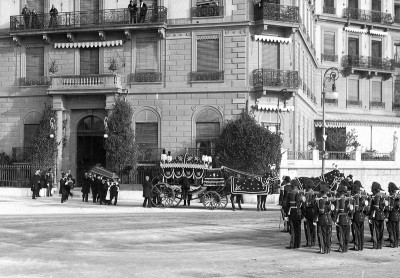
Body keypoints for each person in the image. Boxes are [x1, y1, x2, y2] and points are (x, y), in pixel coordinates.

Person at [315, 182, 335, 254]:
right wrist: (334, 219)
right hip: (329, 218)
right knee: (328, 234)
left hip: (321, 219)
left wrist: (315, 220)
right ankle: (328, 249)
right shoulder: (330, 200)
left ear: (321, 192)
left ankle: (322, 249)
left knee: (321, 234)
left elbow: (316, 211)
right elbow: (333, 210)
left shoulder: (319, 200)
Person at [284, 179, 302, 249]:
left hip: (292, 212)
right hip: (299, 213)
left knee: (292, 229)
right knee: (298, 229)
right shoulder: (301, 194)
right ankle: (298, 244)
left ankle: (293, 244)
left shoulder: (291, 193)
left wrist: (286, 214)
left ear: (292, 186)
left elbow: (287, 205)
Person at [351, 180, 368, 251]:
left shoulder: (355, 197)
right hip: (362, 215)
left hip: (356, 215)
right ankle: (361, 246)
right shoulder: (363, 196)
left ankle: (357, 246)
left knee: (356, 231)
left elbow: (355, 208)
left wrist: (351, 216)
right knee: (361, 232)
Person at [334, 183, 351, 253]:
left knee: (340, 234)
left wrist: (335, 219)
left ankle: (341, 247)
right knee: (346, 234)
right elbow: (351, 210)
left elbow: (336, 210)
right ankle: (345, 248)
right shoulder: (349, 200)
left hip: (340, 218)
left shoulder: (338, 200)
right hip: (347, 218)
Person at [370, 182, 385, 249]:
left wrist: (370, 216)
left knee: (375, 230)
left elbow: (375, 208)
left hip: (376, 215)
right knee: (381, 231)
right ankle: (380, 244)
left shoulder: (376, 197)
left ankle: (376, 245)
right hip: (382, 215)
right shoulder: (382, 196)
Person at [302, 178, 316, 247]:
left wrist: (303, 214)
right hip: (313, 212)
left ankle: (309, 242)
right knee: (313, 228)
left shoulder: (306, 194)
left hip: (307, 212)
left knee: (307, 228)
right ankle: (313, 242)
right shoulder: (314, 194)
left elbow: (304, 204)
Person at [386, 182, 400, 248]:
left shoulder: (391, 198)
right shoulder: (396, 197)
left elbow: (389, 207)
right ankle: (396, 243)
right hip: (397, 215)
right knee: (396, 230)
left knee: (391, 229)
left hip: (392, 215)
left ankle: (393, 243)